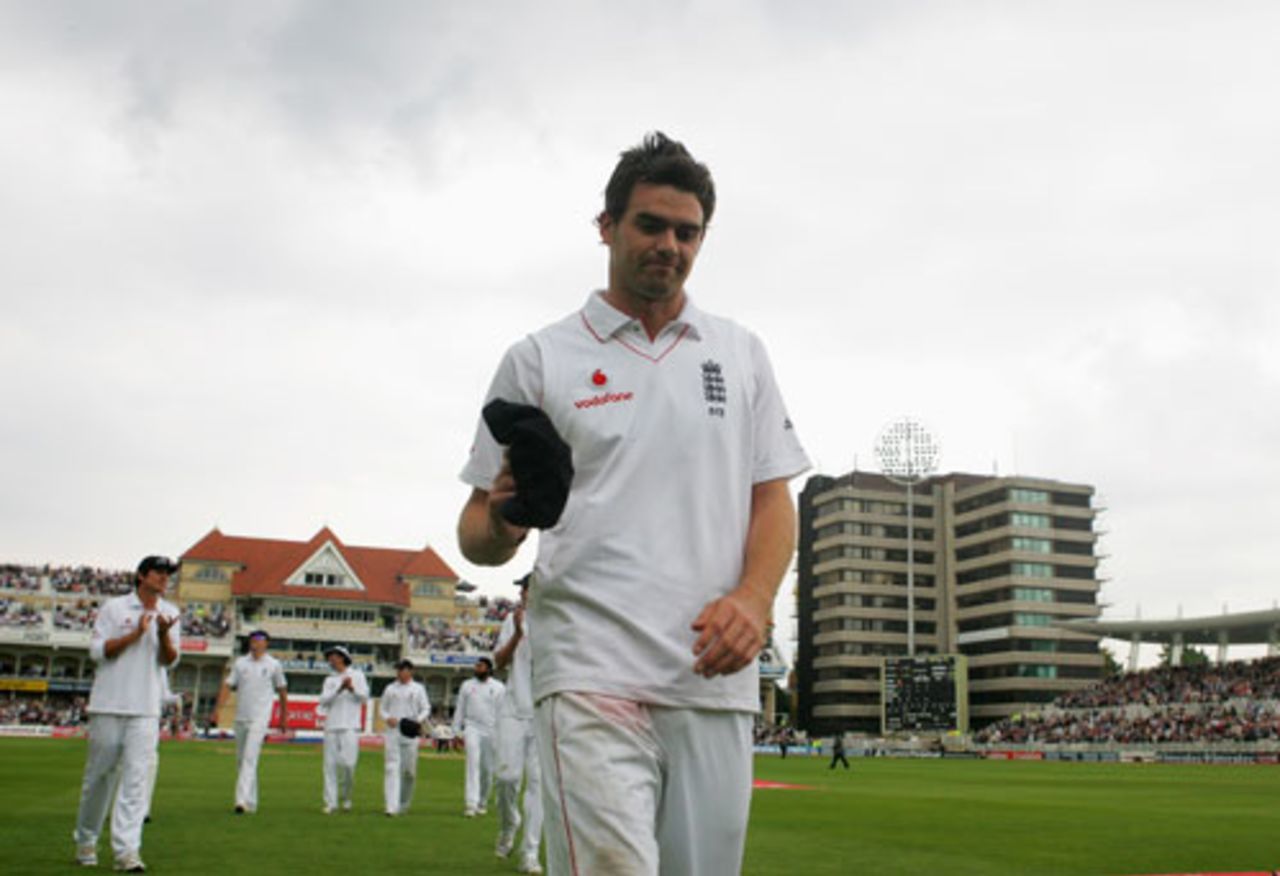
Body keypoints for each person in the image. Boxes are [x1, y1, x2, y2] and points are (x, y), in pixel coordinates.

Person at [457, 132, 810, 875]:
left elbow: (773, 500)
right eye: (651, 225)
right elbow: (477, 537)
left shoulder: (739, 352)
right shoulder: (540, 359)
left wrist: (753, 597)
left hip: (711, 674)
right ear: (607, 226)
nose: (670, 246)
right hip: (591, 667)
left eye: (688, 232)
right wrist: (507, 518)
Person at [73, 555, 181, 872]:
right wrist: (136, 633)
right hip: (108, 704)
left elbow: (169, 661)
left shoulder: (170, 613)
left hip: (146, 709)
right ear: (141, 576)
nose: (164, 578)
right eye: (159, 572)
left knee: (136, 780)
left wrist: (161, 635)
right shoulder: (115, 608)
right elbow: (98, 652)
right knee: (99, 777)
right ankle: (86, 839)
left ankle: (127, 851)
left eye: (168, 574)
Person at [493, 575, 543, 874]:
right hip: (513, 709)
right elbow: (499, 662)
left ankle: (530, 852)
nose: (524, 593)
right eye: (522, 589)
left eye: (529, 588)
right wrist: (518, 634)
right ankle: (509, 823)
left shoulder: (555, 618)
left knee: (538, 785)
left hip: (543, 712)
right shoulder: (511, 622)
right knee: (507, 778)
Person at [217, 629, 288, 814]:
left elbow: (282, 690)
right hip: (241, 717)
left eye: (259, 640)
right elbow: (228, 685)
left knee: (249, 758)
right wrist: (218, 709)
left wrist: (282, 717)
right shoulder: (241, 663)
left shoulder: (274, 664)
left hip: (260, 718)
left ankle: (240, 800)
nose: (255, 643)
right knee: (242, 761)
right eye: (252, 640)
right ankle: (251, 802)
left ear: (266, 643)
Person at [452, 656, 505, 817]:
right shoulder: (467, 686)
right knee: (472, 765)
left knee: (487, 769)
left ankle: (482, 801)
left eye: (480, 666)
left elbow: (502, 713)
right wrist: (456, 732)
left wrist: (503, 734)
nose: (477, 669)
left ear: (488, 669)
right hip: (472, 727)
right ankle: (471, 803)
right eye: (476, 666)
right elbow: (460, 709)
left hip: (491, 730)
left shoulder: (498, 687)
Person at [318, 645, 368, 813]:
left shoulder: (357, 675)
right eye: (329, 656)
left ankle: (346, 797)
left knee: (348, 764)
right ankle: (330, 803)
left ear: (342, 657)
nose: (331, 659)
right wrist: (339, 689)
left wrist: (351, 688)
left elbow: (364, 697)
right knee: (329, 766)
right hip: (332, 725)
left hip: (350, 726)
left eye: (333, 656)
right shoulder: (330, 680)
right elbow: (324, 701)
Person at [380, 659, 432, 816]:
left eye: (403, 669)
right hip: (393, 731)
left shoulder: (418, 689)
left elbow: (426, 708)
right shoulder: (390, 688)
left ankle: (404, 803)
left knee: (409, 772)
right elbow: (382, 709)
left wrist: (417, 720)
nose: (399, 672)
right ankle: (391, 806)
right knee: (391, 768)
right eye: (398, 669)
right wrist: (387, 717)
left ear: (410, 671)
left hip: (410, 732)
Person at [142, 669, 183, 823]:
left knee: (150, 763)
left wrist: (176, 698)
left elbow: (163, 696)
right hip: (130, 716)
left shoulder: (160, 668)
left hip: (150, 719)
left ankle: (143, 809)